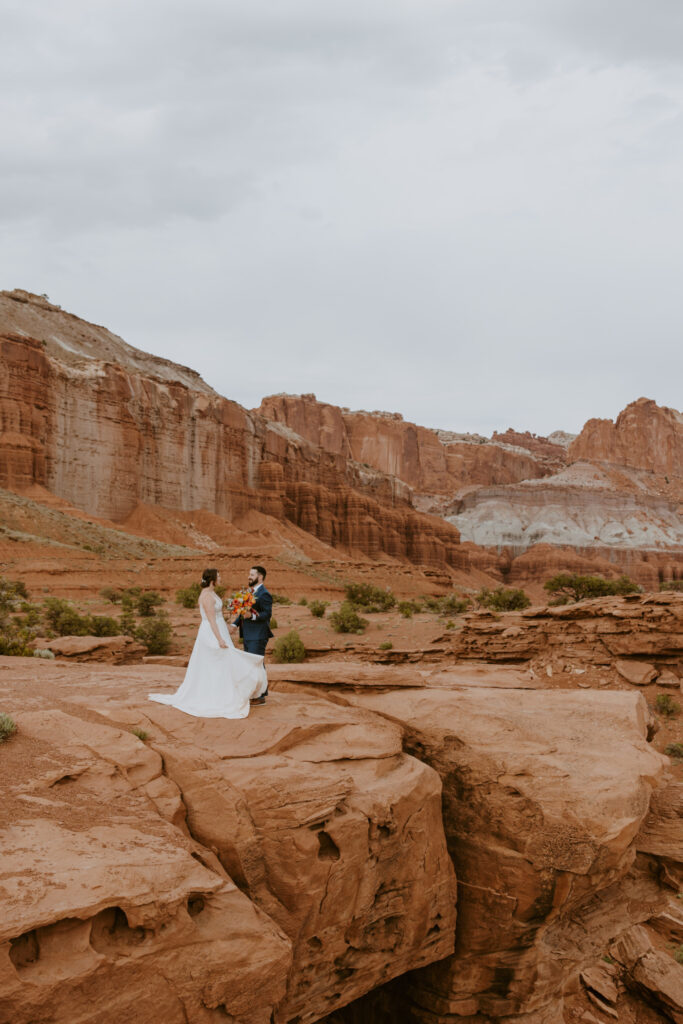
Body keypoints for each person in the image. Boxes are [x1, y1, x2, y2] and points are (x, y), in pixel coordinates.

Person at [148, 568, 266, 718]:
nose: (221, 578)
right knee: (216, 662)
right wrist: (219, 639)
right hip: (211, 633)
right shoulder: (207, 596)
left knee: (223, 663)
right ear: (212, 580)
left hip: (219, 628)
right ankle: (217, 696)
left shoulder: (212, 593)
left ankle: (224, 692)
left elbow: (218, 616)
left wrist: (231, 620)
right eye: (219, 576)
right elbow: (211, 620)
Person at [233, 564, 273, 706]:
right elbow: (244, 612)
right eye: (249, 574)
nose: (249, 577)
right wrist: (234, 624)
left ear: (260, 577)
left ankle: (261, 695)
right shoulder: (249, 592)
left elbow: (267, 614)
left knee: (256, 664)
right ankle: (254, 693)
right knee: (251, 665)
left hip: (258, 634)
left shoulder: (264, 594)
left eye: (252, 574)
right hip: (248, 634)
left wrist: (253, 617)